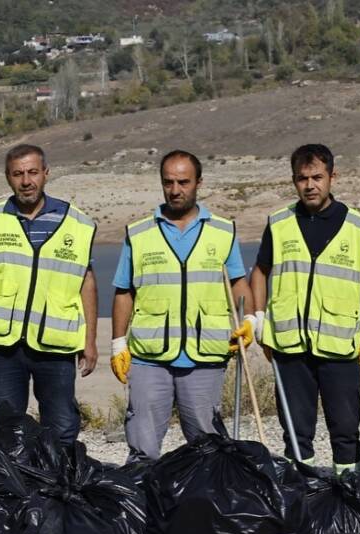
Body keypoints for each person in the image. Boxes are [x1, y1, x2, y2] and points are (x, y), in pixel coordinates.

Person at [109, 150, 254, 462]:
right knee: (142, 446)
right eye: (168, 182)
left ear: (199, 182)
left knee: (209, 447)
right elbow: (124, 291)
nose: (175, 190)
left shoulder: (223, 231)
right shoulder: (139, 233)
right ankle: (142, 504)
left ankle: (206, 507)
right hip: (150, 358)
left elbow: (239, 283)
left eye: (183, 182)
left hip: (205, 357)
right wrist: (118, 343)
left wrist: (251, 320)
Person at [0, 143, 98, 443]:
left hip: (56, 347)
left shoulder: (78, 223)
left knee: (61, 430)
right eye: (18, 174)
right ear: (8, 178)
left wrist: (89, 342)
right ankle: (14, 489)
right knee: (7, 431)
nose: (26, 181)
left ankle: (58, 487)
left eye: (33, 172)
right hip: (2, 348)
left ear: (46, 174)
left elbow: (86, 282)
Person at [250, 144, 360, 474]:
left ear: (332, 177)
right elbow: (260, 272)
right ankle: (299, 495)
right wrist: (259, 318)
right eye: (302, 178)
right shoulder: (279, 223)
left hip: (340, 347)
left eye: (317, 177)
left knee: (346, 430)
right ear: (294, 180)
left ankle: (348, 496)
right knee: (295, 432)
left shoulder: (359, 228)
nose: (310, 185)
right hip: (289, 347)